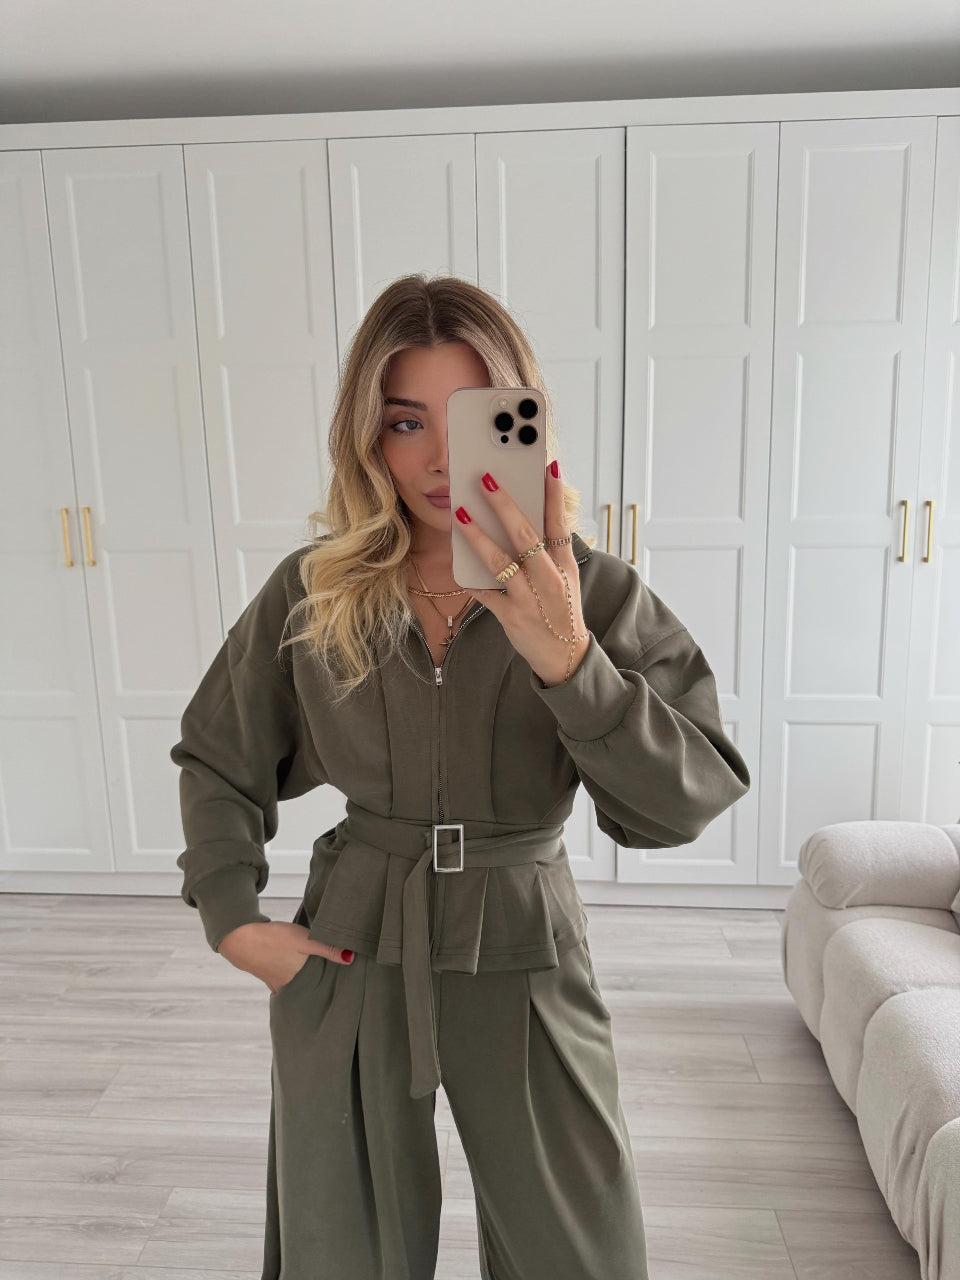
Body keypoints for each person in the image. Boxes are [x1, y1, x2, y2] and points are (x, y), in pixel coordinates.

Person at [170, 273, 752, 1280]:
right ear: (368, 437)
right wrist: (232, 918)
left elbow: (681, 803)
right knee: (338, 1252)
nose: (441, 459)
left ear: (522, 422)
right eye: (406, 422)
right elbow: (218, 752)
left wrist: (570, 659)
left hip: (524, 936)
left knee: (580, 1251)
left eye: (474, 419)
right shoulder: (315, 590)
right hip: (354, 937)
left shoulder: (594, 593)